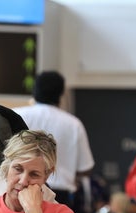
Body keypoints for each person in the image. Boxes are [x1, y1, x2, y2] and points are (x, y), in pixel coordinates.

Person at [13, 71, 95, 205]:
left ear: (35, 90)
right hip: (60, 195)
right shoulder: (73, 124)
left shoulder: (17, 114)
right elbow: (85, 168)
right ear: (61, 94)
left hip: (22, 188)